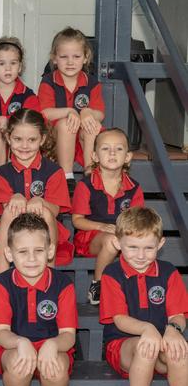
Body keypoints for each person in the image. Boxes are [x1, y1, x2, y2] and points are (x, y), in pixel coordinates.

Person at [99, 207, 188, 386]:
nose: (140, 255)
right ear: (118, 243)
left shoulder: (168, 272)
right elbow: (119, 319)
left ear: (160, 244)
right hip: (123, 346)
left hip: (158, 345)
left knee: (179, 348)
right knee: (145, 346)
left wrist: (173, 329)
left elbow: (178, 315)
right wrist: (148, 328)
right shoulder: (112, 273)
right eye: (132, 247)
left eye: (149, 248)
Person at [0, 212, 78, 386]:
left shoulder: (63, 284)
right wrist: (20, 342)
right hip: (13, 347)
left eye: (39, 251)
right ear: (9, 254)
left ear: (50, 251)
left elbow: (68, 336)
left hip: (52, 345)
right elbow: (0, 333)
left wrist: (52, 344)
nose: (31, 259)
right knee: (19, 363)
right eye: (22, 252)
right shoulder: (1, 284)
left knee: (56, 366)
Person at [0, 109, 73, 273]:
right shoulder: (2, 173)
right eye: (17, 139)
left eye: (32, 140)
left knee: (45, 212)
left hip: (44, 231)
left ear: (42, 139)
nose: (24, 146)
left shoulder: (54, 171)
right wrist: (13, 198)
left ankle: (49, 273)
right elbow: (3, 209)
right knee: (10, 210)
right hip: (14, 232)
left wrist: (41, 201)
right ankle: (1, 274)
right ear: (8, 138)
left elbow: (57, 210)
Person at [71, 128, 143, 304]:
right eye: (105, 148)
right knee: (112, 240)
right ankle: (98, 285)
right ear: (95, 156)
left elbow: (138, 220)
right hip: (90, 238)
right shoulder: (86, 185)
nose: (112, 153)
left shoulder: (133, 187)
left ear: (127, 157)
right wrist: (101, 227)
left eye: (119, 149)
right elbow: (77, 220)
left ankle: (137, 288)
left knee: (141, 240)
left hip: (122, 236)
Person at [39, 27, 105, 191]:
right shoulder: (48, 82)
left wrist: (87, 111)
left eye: (76, 56)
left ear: (85, 58)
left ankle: (90, 172)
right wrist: (70, 111)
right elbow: (44, 112)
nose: (70, 62)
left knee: (93, 125)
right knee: (65, 124)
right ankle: (67, 176)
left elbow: (100, 114)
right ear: (54, 59)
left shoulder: (91, 83)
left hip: (82, 141)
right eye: (63, 57)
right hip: (56, 140)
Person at [0, 37, 40, 170]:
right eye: (1, 63)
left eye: (13, 63)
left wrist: (10, 126)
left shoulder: (28, 95)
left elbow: (31, 122)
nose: (8, 68)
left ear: (20, 67)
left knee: (25, 132)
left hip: (20, 143)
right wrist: (1, 120)